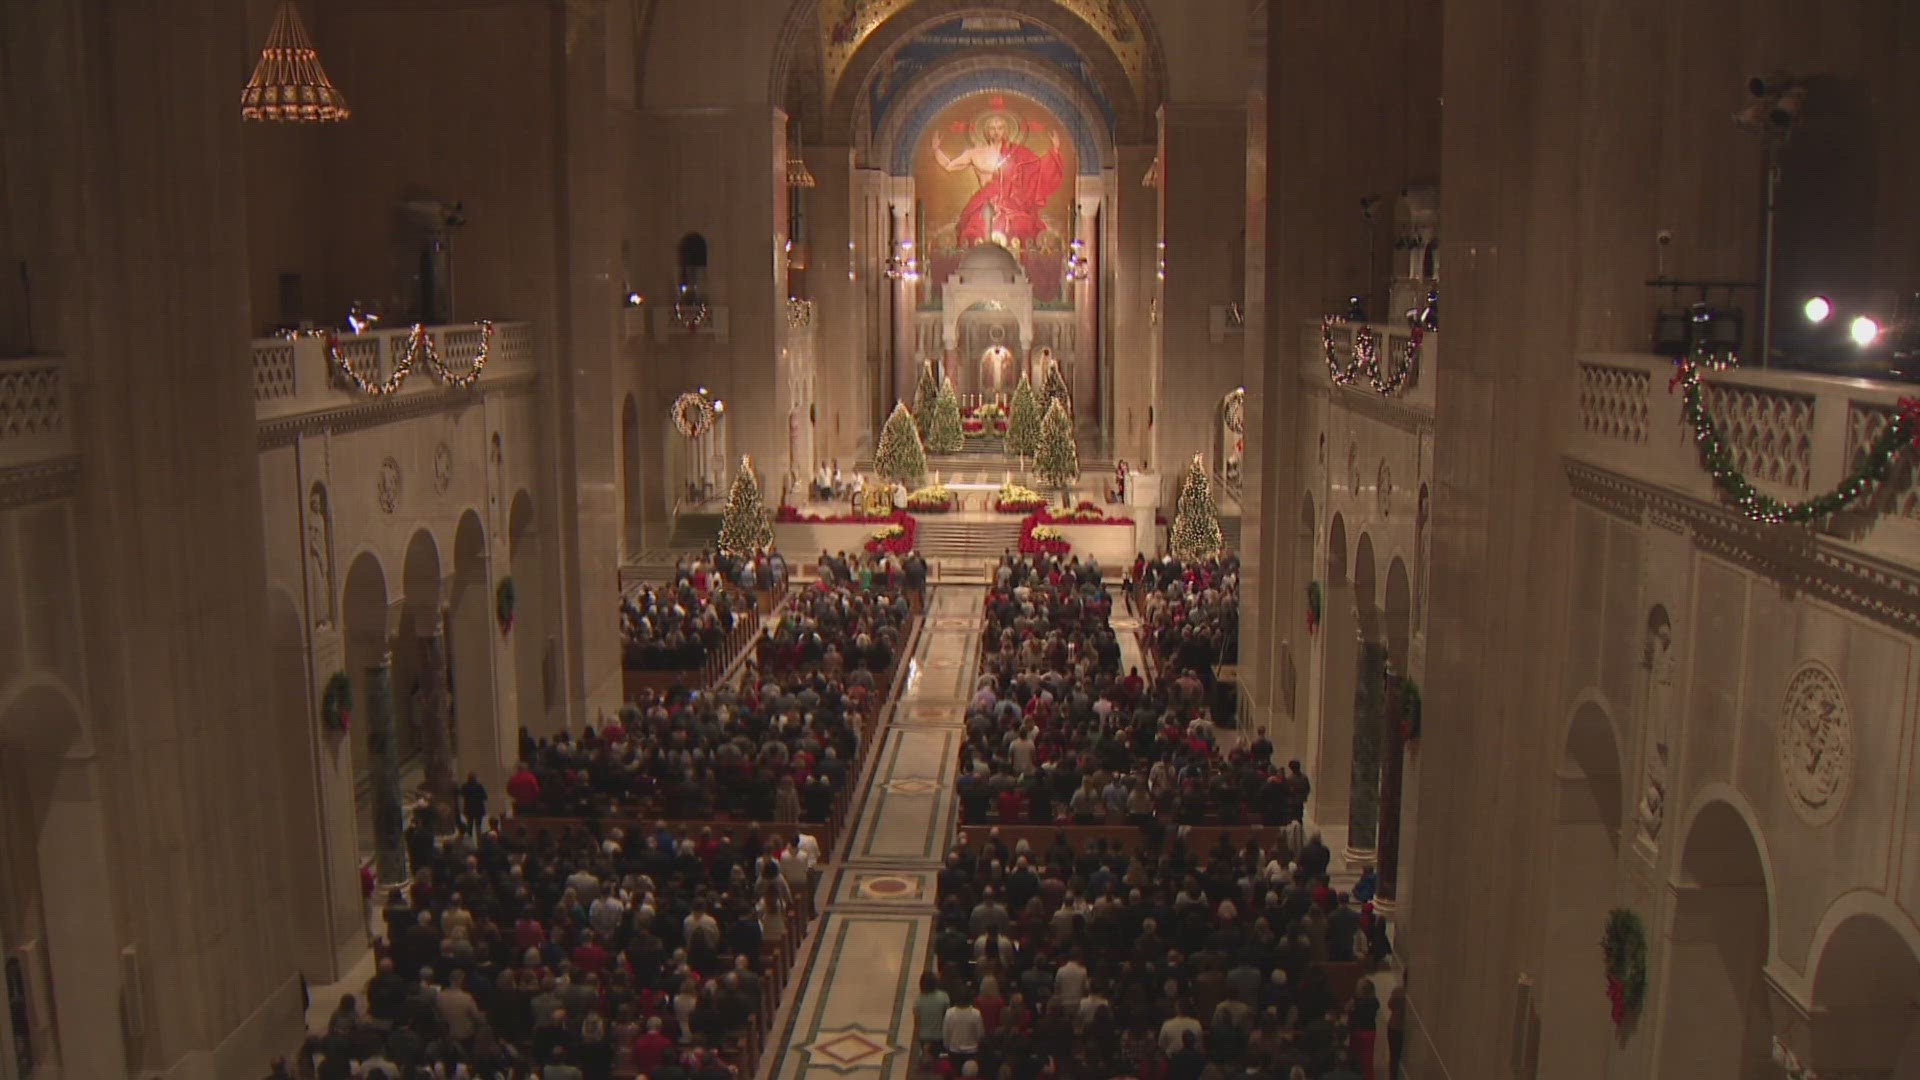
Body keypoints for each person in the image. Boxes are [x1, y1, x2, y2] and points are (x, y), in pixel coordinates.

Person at [913, 972, 951, 1052]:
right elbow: (947, 1018)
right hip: (939, 1036)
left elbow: (917, 1023)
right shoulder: (944, 997)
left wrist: (916, 1038)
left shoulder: (918, 1001)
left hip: (924, 1036)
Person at [459, 772, 488, 836]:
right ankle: (479, 840)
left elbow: (461, 794)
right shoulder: (479, 786)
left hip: (469, 809)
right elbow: (485, 797)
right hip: (479, 809)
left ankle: (470, 840)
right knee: (478, 826)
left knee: (469, 825)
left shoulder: (465, 786)